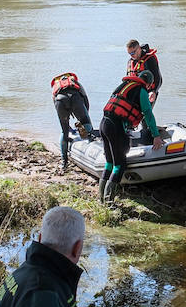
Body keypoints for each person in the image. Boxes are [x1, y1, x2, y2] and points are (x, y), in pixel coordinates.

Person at [98, 69, 167, 202]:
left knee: (109, 163)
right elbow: (148, 114)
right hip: (114, 127)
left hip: (104, 124)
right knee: (119, 164)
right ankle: (108, 202)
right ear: (148, 84)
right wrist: (156, 136)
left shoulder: (124, 86)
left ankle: (101, 199)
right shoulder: (141, 91)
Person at [51, 72, 95, 172]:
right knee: (86, 123)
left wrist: (67, 124)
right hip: (75, 98)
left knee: (64, 131)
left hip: (60, 101)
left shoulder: (56, 87)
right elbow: (86, 100)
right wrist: (84, 119)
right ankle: (91, 144)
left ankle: (64, 162)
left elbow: (56, 105)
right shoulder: (75, 83)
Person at [125, 39, 161, 105]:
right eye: (129, 53)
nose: (131, 55)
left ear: (139, 48)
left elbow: (158, 78)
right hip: (134, 93)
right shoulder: (130, 62)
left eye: (133, 53)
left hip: (149, 93)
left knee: (146, 114)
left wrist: (154, 91)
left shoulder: (149, 59)